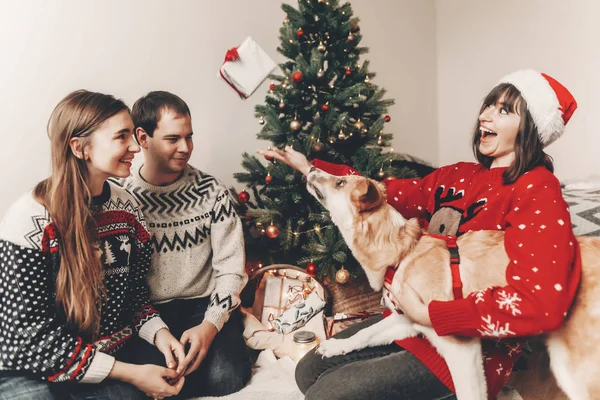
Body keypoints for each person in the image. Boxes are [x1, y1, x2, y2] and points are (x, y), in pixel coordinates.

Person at [259, 69, 581, 399]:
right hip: (409, 323)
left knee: (326, 394)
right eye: (488, 105)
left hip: (467, 348)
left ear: (530, 128)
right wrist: (313, 172)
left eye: (504, 110)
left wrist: (433, 314)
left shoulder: (538, 188)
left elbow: (543, 302)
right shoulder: (459, 175)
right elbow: (377, 194)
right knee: (308, 371)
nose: (485, 114)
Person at [0, 90, 190, 400]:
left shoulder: (128, 209)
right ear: (80, 147)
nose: (134, 147)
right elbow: (30, 337)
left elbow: (134, 297)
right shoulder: (30, 221)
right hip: (29, 367)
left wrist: (160, 333)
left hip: (104, 356)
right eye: (121, 137)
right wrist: (131, 373)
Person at [114, 91, 251, 398]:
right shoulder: (121, 197)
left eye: (189, 137)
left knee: (227, 379)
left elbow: (231, 269)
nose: (186, 147)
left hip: (204, 306)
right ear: (143, 137)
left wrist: (211, 325)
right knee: (153, 381)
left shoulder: (211, 192)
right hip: (148, 314)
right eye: (173, 138)